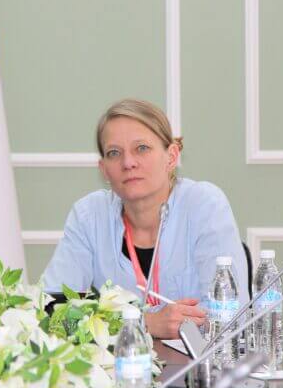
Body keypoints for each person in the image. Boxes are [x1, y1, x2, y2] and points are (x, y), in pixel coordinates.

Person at [41, 99, 248, 339]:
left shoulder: (204, 205)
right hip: (120, 362)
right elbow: (51, 309)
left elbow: (232, 315)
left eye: (141, 148)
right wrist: (145, 323)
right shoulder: (89, 216)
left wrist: (112, 323)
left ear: (171, 156)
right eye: (114, 153)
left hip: (197, 362)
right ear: (104, 169)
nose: (128, 163)